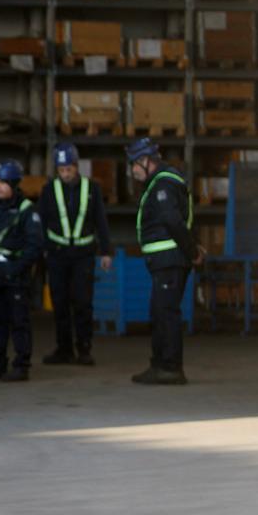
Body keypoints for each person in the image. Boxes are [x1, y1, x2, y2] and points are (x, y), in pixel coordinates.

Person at [127, 137, 200, 385]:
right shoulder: (160, 183)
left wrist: (191, 251)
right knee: (159, 312)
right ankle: (159, 364)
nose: (132, 170)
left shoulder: (163, 186)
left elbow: (173, 222)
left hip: (170, 260)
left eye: (134, 164)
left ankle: (170, 367)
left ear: (146, 161)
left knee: (166, 313)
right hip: (164, 261)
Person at [36, 142, 113, 366]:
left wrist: (106, 251)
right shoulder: (49, 190)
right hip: (57, 255)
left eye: (69, 169)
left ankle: (84, 349)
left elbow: (101, 221)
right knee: (59, 304)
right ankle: (64, 349)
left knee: (83, 303)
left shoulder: (92, 189)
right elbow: (40, 222)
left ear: (76, 167)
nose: (66, 174)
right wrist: (40, 251)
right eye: (61, 170)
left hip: (83, 256)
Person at [0, 161, 44, 382]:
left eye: (4, 183)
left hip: (16, 278)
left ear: (14, 184)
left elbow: (34, 246)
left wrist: (16, 269)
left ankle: (21, 365)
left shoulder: (26, 211)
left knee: (19, 321)